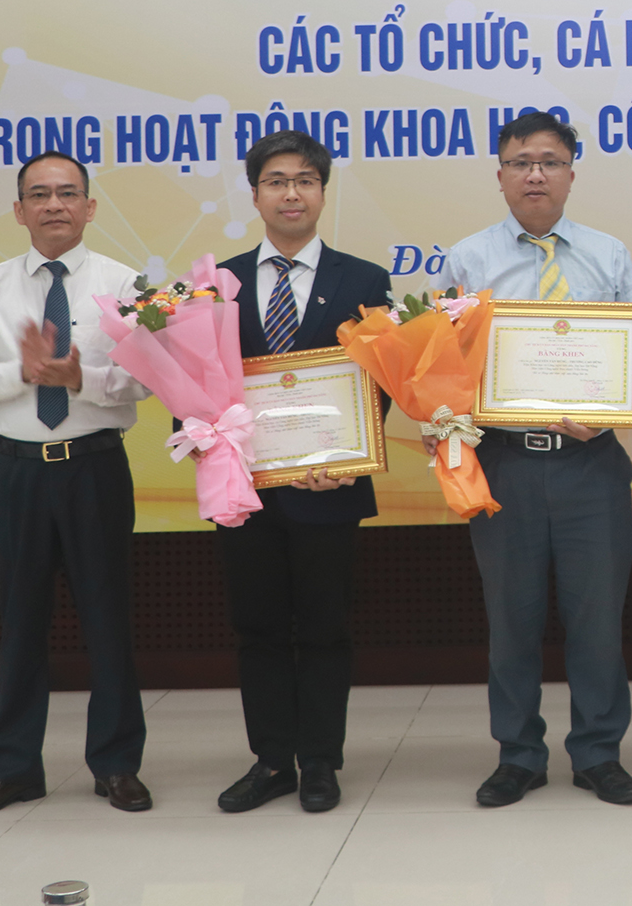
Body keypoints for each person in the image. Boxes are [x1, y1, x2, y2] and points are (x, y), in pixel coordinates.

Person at [442, 111, 632, 807]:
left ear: (571, 173)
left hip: (593, 464)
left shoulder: (609, 254)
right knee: (512, 618)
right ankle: (519, 754)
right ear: (499, 175)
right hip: (504, 463)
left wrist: (610, 407)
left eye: (550, 161)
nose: (535, 173)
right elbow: (447, 368)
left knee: (597, 619)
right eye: (521, 161)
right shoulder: (468, 261)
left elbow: (631, 363)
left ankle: (597, 752)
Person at [0, 151, 154, 818]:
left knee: (108, 621)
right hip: (20, 470)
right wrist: (23, 370)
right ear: (18, 210)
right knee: (20, 622)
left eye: (68, 193)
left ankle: (117, 764)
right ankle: (12, 768)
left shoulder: (126, 283)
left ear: (91, 207)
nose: (54, 204)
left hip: (95, 464)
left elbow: (146, 380)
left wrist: (78, 379)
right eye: (39, 194)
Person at [213, 129, 392, 815]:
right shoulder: (217, 283)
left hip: (329, 488)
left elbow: (380, 383)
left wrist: (348, 456)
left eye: (305, 181)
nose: (292, 192)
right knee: (256, 628)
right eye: (277, 180)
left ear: (322, 190)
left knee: (324, 627)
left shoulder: (364, 279)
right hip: (246, 488)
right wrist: (208, 443)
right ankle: (269, 761)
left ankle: (319, 759)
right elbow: (196, 386)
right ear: (254, 192)